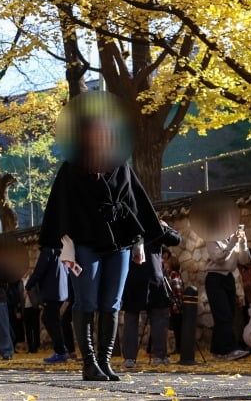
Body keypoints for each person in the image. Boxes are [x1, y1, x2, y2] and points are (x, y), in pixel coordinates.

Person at [38, 92, 164, 382]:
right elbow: (62, 210)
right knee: (86, 301)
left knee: (112, 302)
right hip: (84, 243)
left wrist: (139, 242)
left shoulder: (121, 164)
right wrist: (66, 250)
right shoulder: (72, 168)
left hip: (119, 242)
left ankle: (105, 362)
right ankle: (88, 363)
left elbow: (135, 204)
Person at [121, 221, 182, 368]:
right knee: (149, 317)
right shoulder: (151, 225)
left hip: (144, 277)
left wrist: (163, 227)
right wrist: (164, 227)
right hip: (144, 276)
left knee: (141, 317)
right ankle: (154, 357)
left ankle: (136, 357)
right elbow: (176, 239)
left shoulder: (132, 224)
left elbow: (176, 239)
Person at [205, 215, 251, 361]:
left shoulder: (234, 239)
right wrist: (232, 243)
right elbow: (218, 258)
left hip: (228, 278)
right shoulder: (212, 238)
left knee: (229, 315)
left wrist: (243, 243)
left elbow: (245, 260)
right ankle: (229, 349)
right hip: (215, 277)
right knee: (223, 315)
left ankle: (217, 350)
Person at [27, 246, 73, 363]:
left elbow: (39, 270)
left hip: (51, 291)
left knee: (49, 319)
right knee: (54, 320)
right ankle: (64, 349)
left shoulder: (48, 250)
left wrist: (28, 285)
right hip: (61, 291)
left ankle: (61, 351)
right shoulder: (62, 251)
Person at [165, 257, 185, 351]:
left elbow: (177, 290)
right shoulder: (177, 275)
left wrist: (177, 303)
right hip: (177, 306)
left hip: (176, 307)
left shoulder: (173, 275)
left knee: (177, 329)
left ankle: (179, 348)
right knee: (178, 328)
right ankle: (179, 348)